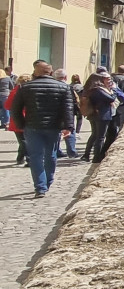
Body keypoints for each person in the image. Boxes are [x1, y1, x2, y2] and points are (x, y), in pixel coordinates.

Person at [9, 60, 73, 198]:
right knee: (51, 155)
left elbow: (15, 109)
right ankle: (48, 182)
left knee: (35, 157)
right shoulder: (62, 87)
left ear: (35, 71)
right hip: (53, 126)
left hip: (32, 126)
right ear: (50, 72)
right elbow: (68, 108)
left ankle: (40, 187)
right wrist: (68, 126)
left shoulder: (25, 87)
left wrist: (21, 125)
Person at [83, 73, 120, 164]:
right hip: (102, 115)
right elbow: (110, 98)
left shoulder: (91, 90)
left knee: (96, 135)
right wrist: (114, 90)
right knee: (100, 137)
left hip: (97, 114)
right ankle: (97, 157)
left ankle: (89, 155)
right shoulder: (98, 90)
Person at [53, 68, 79, 158]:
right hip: (67, 113)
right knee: (70, 131)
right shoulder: (68, 87)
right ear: (65, 77)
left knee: (57, 132)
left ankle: (57, 151)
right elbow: (73, 101)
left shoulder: (52, 87)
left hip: (55, 113)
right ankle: (71, 151)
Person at [6, 74, 29, 165]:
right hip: (30, 118)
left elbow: (7, 105)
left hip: (18, 118)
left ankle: (25, 158)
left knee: (22, 140)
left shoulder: (15, 91)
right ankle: (23, 158)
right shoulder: (32, 91)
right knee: (25, 140)